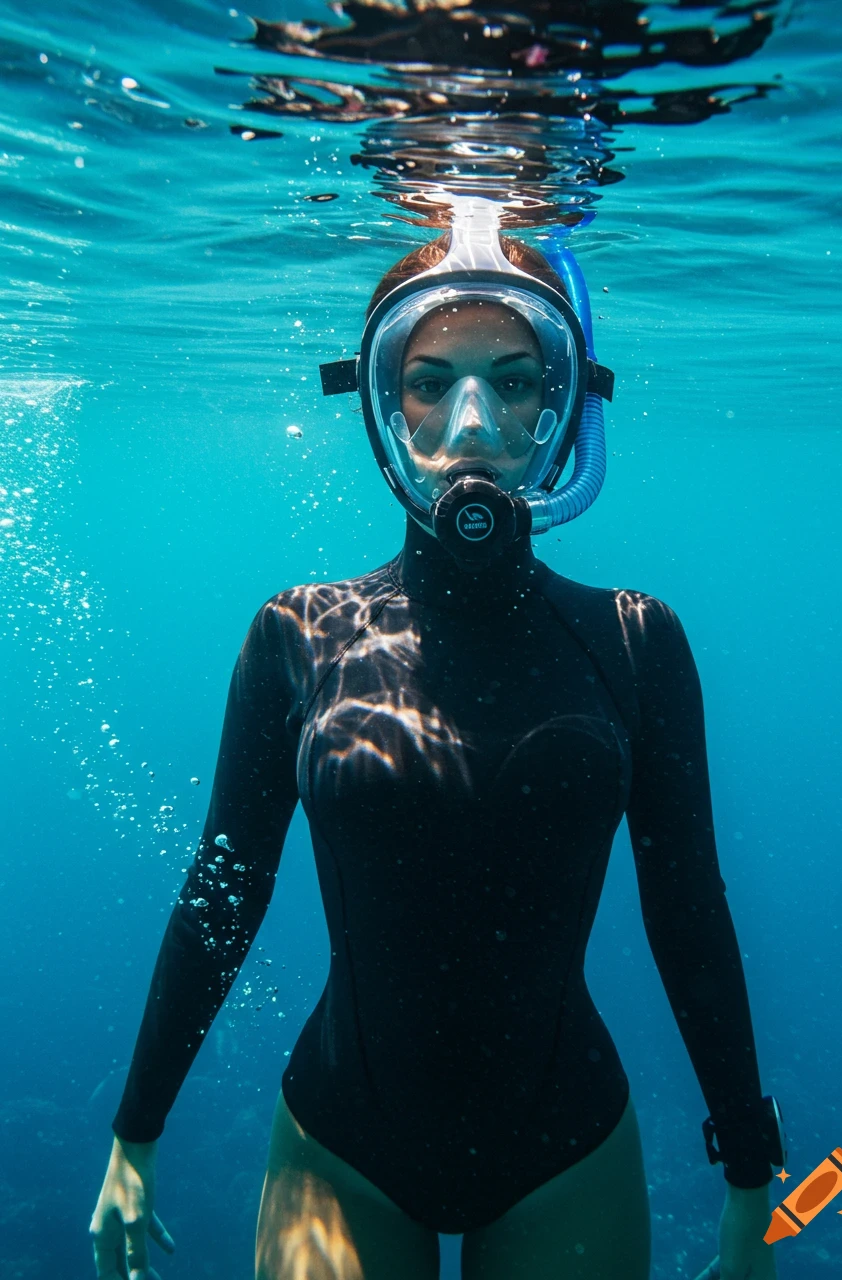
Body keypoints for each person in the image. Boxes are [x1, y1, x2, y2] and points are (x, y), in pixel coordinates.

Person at [90, 200, 784, 1280]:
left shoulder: (635, 640)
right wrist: (134, 1135)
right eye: (430, 382)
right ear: (382, 405)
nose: (472, 422)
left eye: (513, 381)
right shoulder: (298, 634)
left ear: (563, 406)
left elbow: (687, 911)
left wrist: (750, 1178)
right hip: (341, 1147)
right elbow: (223, 897)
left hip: (567, 1148)